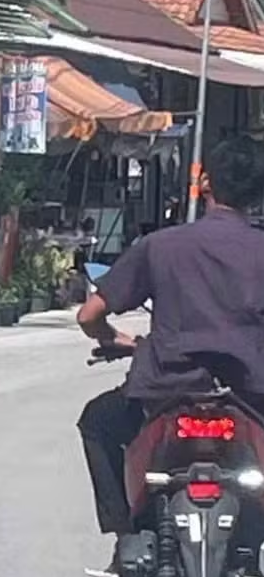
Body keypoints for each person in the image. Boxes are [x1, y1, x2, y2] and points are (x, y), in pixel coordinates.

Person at [75, 134, 264, 570]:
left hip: (164, 393)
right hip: (250, 398)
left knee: (98, 421)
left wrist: (117, 340)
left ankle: (125, 535)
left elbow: (89, 315)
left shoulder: (162, 245)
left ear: (206, 182)